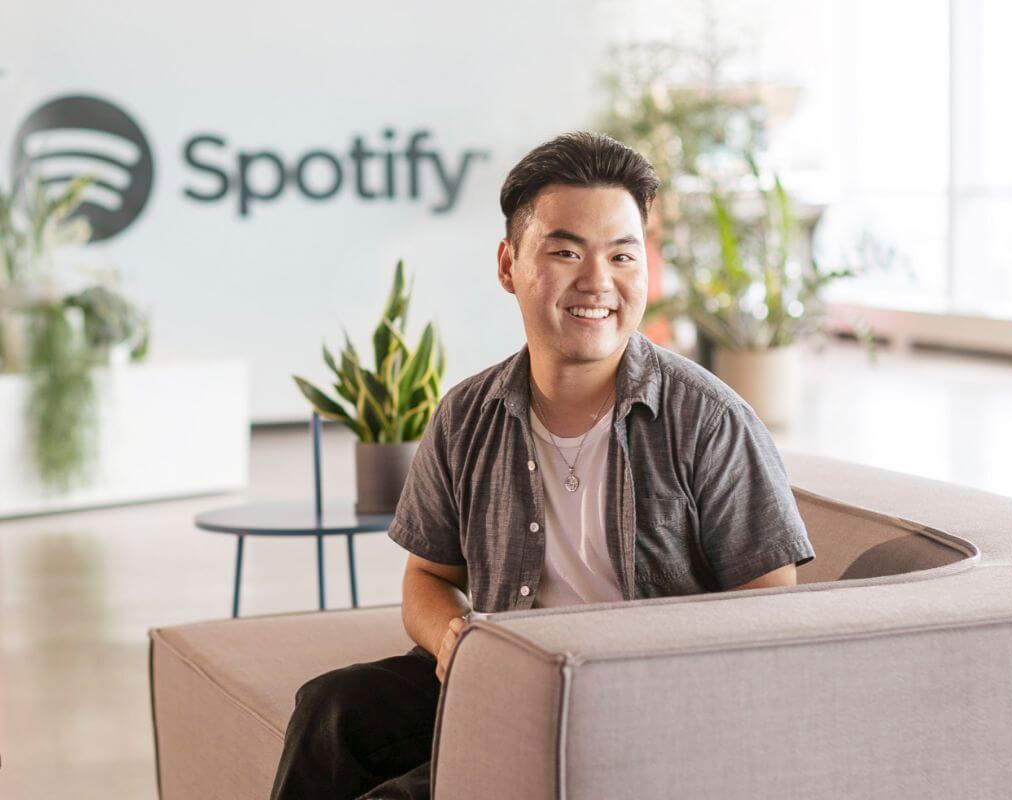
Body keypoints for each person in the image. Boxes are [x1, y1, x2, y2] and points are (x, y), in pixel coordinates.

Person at [269, 131, 816, 800]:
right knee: (330, 710)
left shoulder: (709, 420)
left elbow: (771, 602)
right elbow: (427, 578)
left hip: (644, 707)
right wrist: (454, 640)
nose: (598, 282)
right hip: (506, 681)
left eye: (623, 255)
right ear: (509, 265)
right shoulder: (466, 415)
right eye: (565, 252)